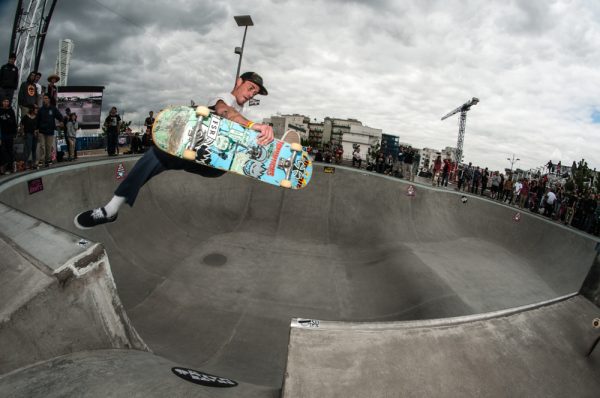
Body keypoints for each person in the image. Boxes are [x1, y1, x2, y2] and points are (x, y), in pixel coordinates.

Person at [75, 71, 274, 229]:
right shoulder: (224, 99)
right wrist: (249, 125)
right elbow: (225, 111)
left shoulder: (244, 111)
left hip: (214, 165)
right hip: (193, 154)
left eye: (254, 93)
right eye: (250, 88)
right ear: (239, 82)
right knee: (156, 154)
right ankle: (110, 210)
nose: (250, 94)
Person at [37, 94, 63, 167]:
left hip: (50, 130)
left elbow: (59, 116)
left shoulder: (53, 109)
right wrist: (36, 129)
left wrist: (61, 121)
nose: (44, 100)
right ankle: (41, 160)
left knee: (48, 146)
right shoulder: (41, 110)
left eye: (46, 98)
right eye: (43, 98)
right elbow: (37, 120)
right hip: (42, 131)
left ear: (48, 100)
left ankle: (48, 160)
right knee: (42, 146)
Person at [0, 98, 18, 174]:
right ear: (2, 102)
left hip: (10, 134)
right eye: (4, 101)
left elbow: (14, 123)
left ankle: (10, 167)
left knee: (10, 150)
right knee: (2, 151)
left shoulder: (11, 111)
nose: (6, 103)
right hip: (2, 134)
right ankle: (3, 167)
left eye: (7, 101)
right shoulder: (0, 111)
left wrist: (15, 132)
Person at [19, 104, 39, 169]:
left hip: (35, 134)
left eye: (37, 108)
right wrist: (22, 132)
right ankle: (26, 163)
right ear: (32, 109)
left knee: (34, 149)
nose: (36, 109)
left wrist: (37, 130)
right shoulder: (26, 117)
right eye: (35, 108)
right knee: (28, 149)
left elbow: (39, 126)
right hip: (28, 134)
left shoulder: (37, 117)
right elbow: (21, 124)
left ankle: (34, 163)